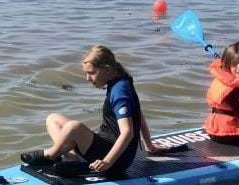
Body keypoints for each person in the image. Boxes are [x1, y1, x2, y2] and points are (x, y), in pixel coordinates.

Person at [20, 45, 165, 176]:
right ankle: (71, 158)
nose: (88, 78)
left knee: (73, 127)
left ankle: (51, 155)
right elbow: (138, 114)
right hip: (107, 146)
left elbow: (127, 133)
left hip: (116, 160)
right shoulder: (120, 81)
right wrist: (149, 146)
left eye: (92, 73)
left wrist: (107, 162)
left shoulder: (119, 91)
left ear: (107, 70)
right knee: (53, 118)